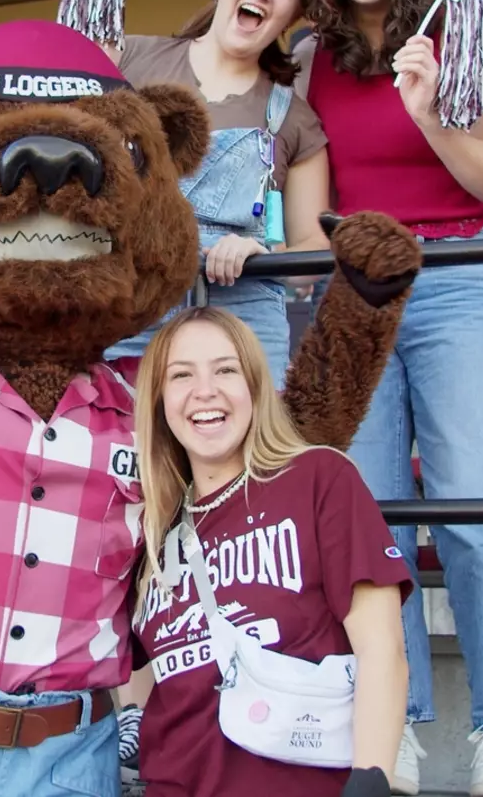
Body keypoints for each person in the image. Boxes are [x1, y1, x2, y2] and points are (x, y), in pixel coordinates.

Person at [293, 0, 483, 796]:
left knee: (476, 504)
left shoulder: (456, 32)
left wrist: (429, 112)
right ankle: (392, 724)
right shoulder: (308, 55)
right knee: (374, 521)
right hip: (355, 291)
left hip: (457, 280)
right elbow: (308, 213)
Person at [128, 307, 410, 797]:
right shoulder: (151, 528)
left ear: (255, 386)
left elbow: (381, 646)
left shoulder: (318, 479)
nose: (205, 390)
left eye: (225, 369)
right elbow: (141, 672)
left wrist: (372, 779)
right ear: (159, 401)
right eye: (180, 375)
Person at [104, 0, 331, 383]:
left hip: (243, 320)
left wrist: (262, 248)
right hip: (129, 306)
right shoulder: (127, 60)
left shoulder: (295, 118)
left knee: (247, 454)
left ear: (290, 14)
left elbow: (314, 255)